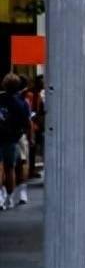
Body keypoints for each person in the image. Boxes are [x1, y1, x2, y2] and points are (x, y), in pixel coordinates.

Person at [0, 74, 32, 210]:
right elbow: (27, 122)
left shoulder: (0, 98)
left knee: (1, 167)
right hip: (14, 138)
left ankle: (1, 196)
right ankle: (10, 197)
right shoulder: (22, 103)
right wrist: (29, 136)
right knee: (11, 167)